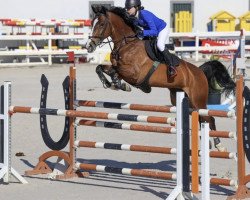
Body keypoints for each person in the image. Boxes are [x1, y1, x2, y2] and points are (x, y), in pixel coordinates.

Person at [125, 0, 178, 78]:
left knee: (159, 45)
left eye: (129, 8)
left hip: (161, 29)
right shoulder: (133, 17)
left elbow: (154, 31)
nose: (127, 10)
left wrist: (143, 33)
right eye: (127, 8)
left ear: (136, 7)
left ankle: (172, 66)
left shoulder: (144, 14)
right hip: (151, 31)